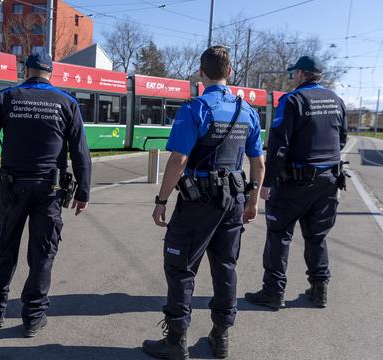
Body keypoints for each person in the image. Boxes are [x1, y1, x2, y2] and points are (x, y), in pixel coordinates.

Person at [142, 46, 265, 360]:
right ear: (230, 72)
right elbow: (258, 164)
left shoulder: (195, 108)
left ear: (201, 72)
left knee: (181, 267)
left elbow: (179, 160)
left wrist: (161, 201)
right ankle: (220, 336)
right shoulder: (247, 110)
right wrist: (252, 202)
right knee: (225, 266)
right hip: (234, 201)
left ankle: (176, 340)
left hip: (199, 200)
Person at [0, 50, 91, 338]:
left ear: (27, 71)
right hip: (50, 190)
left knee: (4, 248)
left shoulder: (7, 98)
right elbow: (80, 152)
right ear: (51, 73)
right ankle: (33, 318)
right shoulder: (67, 102)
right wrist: (83, 191)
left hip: (12, 187)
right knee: (42, 253)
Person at [245, 56, 348, 310]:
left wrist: (267, 183)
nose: (293, 77)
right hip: (329, 181)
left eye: (295, 73)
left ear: (302, 74)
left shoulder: (292, 100)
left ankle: (273, 292)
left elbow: (279, 146)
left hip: (294, 182)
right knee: (317, 236)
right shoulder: (337, 100)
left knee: (279, 234)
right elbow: (342, 140)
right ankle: (319, 289)